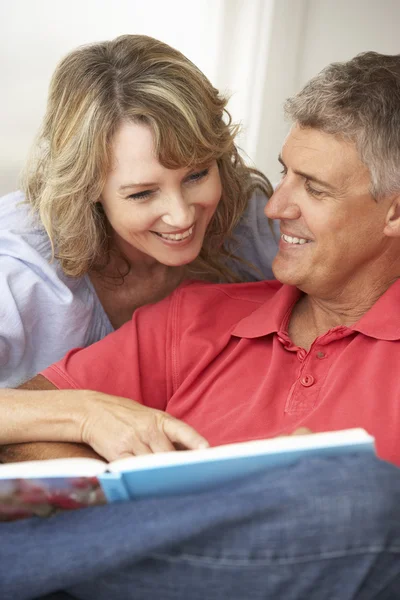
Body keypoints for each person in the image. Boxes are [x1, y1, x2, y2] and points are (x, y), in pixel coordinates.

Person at [2, 51, 400, 599]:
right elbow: (22, 453)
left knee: (358, 497)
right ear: (89, 189)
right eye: (142, 193)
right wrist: (112, 434)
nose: (275, 208)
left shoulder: (243, 233)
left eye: (314, 187)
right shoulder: (188, 315)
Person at [0, 33, 276, 389]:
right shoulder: (17, 269)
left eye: (197, 175)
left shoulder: (245, 217)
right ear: (87, 188)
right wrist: (83, 416)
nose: (182, 216)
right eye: (143, 193)